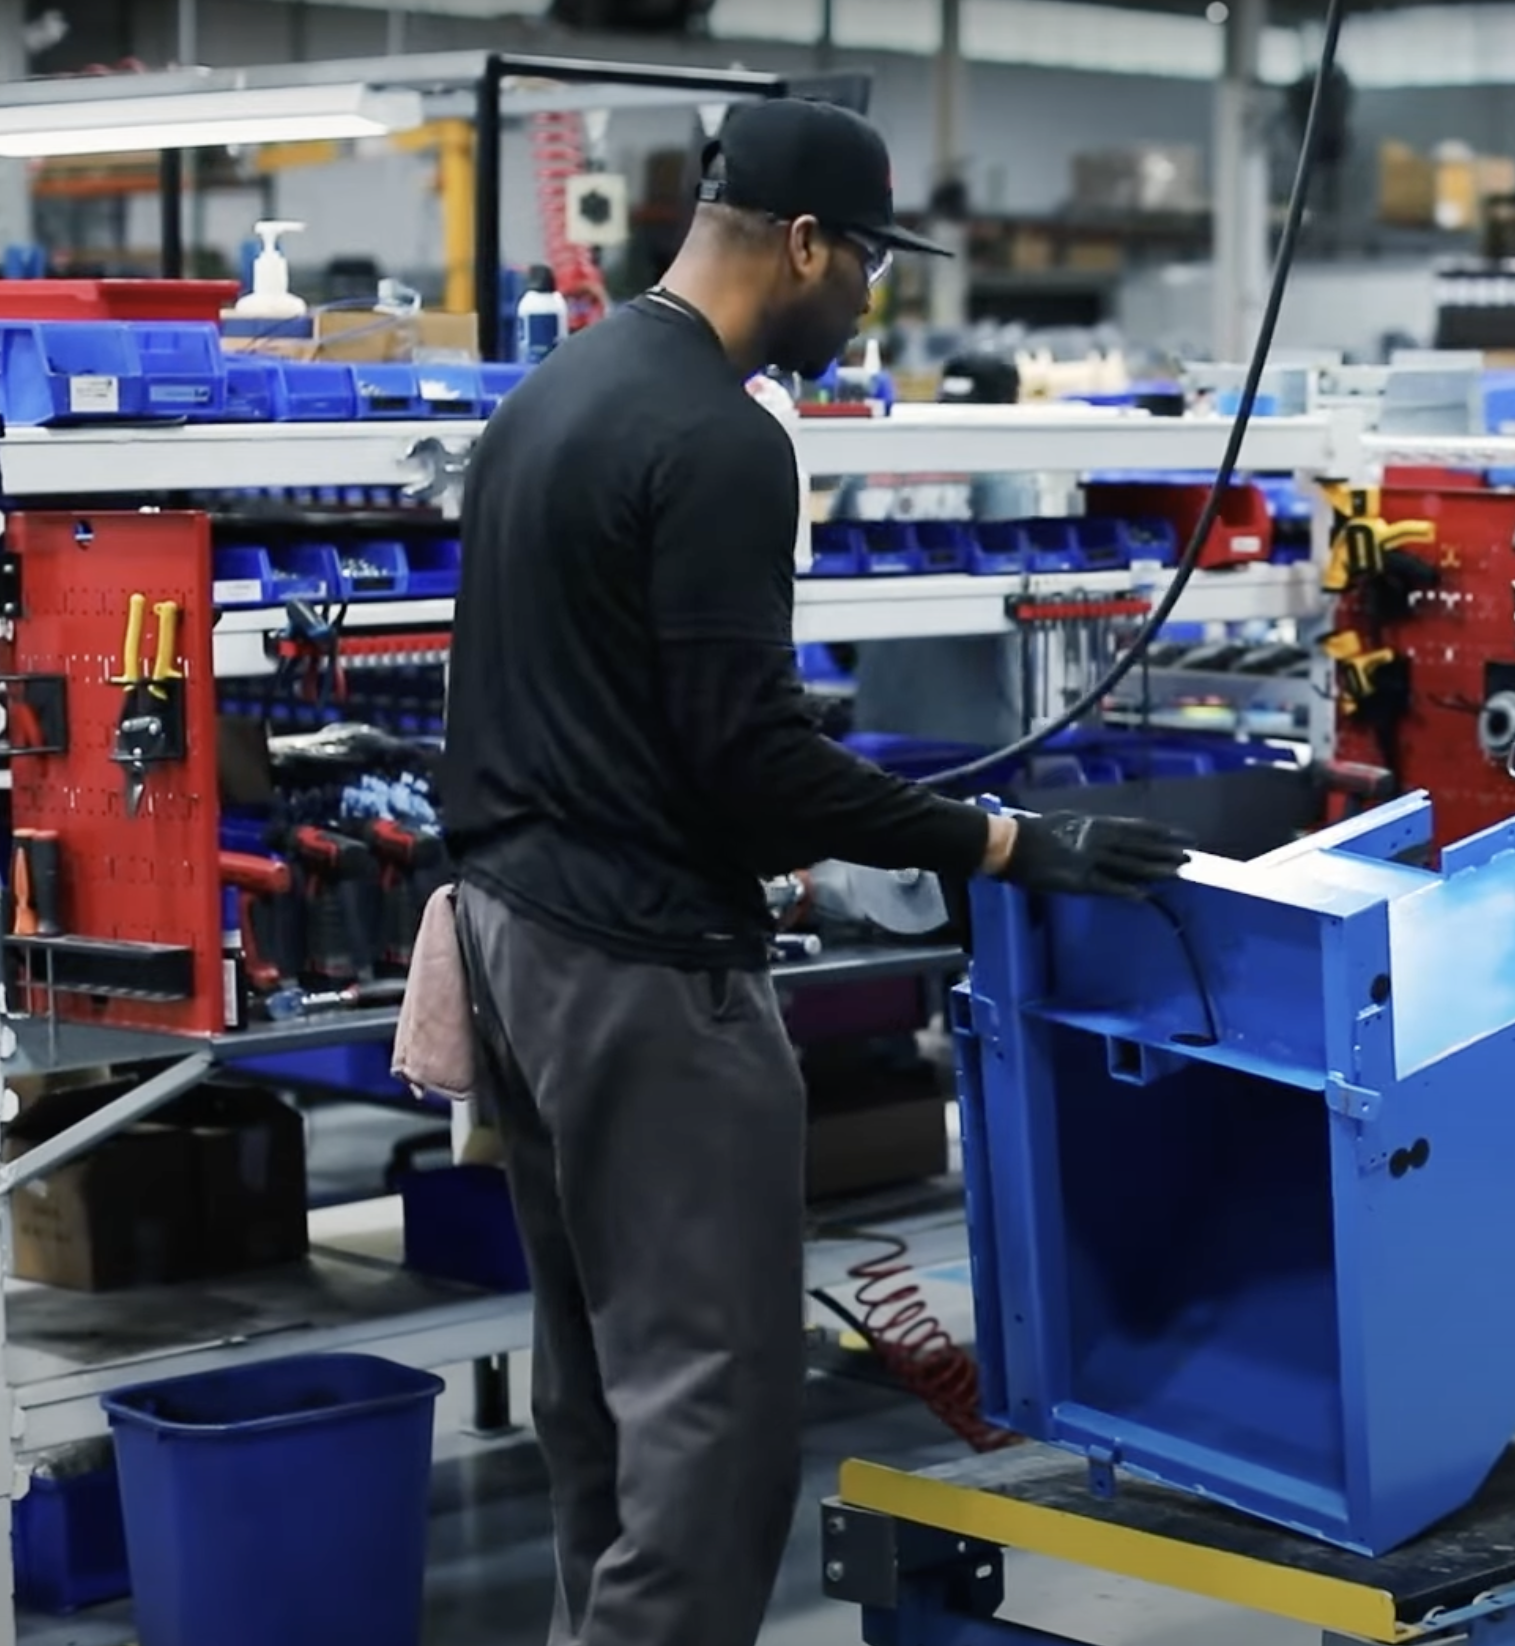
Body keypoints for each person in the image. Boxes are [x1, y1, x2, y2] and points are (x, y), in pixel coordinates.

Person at [440, 98, 1194, 1646]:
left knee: (598, 1402)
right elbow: (755, 762)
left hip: (510, 942)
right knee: (711, 1435)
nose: (870, 299)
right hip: (640, 972)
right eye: (866, 265)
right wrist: (1004, 840)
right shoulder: (720, 439)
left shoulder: (554, 395)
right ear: (800, 245)